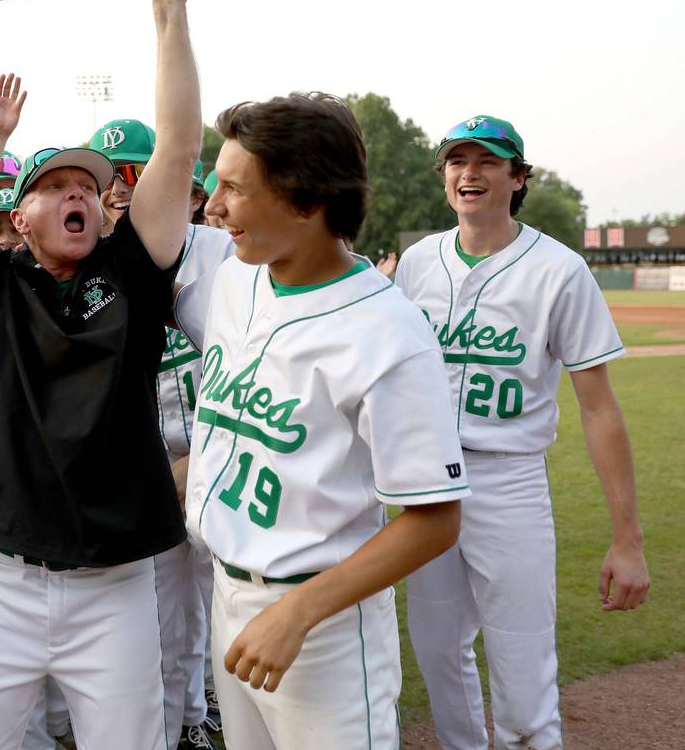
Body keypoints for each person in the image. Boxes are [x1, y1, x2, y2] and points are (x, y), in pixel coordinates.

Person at [0, 0, 201, 749]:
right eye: (55, 187)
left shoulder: (135, 277)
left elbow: (176, 150)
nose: (78, 196)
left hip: (115, 586)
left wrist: (169, 14)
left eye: (90, 188)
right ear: (19, 216)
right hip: (1, 580)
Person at [176, 91, 468, 748]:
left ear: (307, 202)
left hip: (323, 625)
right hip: (227, 597)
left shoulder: (388, 333)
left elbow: (436, 519)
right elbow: (237, 436)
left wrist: (299, 612)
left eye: (233, 189)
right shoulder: (233, 281)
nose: (213, 207)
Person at [394, 114, 650, 750]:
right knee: (435, 650)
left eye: (486, 161)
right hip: (426, 482)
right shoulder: (420, 263)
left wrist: (628, 540)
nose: (469, 172)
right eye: (457, 161)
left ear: (518, 177)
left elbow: (599, 408)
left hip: (506, 481)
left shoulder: (560, 271)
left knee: (522, 659)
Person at [86, 117, 234, 749]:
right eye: (112, 174)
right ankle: (183, 726)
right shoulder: (89, 260)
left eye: (138, 169)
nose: (124, 186)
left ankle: (215, 709)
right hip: (144, 467)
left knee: (228, 604)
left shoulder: (219, 250)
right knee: (161, 616)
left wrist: (202, 453)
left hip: (218, 452)